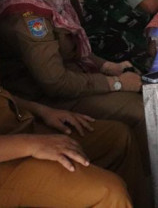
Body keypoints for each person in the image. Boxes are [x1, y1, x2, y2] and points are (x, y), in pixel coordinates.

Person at [0, 0, 148, 168]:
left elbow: (74, 51)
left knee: (145, 98)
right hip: (45, 101)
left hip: (70, 84)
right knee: (141, 110)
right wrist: (115, 84)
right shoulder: (26, 13)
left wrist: (106, 67)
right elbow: (55, 83)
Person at [0, 87, 148, 207]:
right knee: (109, 192)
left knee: (118, 137)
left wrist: (42, 111)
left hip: (20, 127)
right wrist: (32, 144)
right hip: (8, 156)